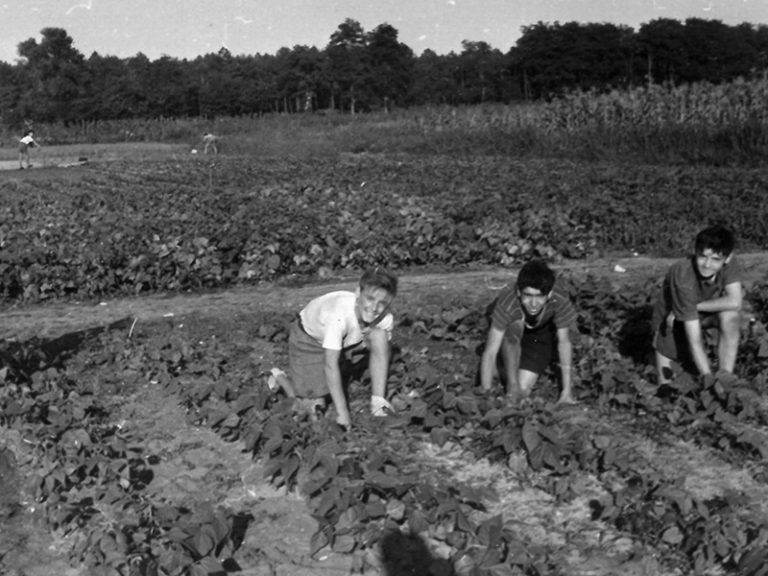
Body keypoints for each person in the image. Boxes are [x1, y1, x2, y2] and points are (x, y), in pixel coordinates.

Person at [268, 268, 398, 428]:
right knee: (313, 408)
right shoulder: (338, 317)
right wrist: (342, 413)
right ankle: (280, 377)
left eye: (382, 303)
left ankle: (378, 402)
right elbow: (330, 365)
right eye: (370, 299)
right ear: (358, 293)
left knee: (379, 336)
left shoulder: (385, 318)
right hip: (309, 341)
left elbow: (384, 350)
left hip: (345, 340)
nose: (374, 307)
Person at [652, 224, 743, 383]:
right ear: (695, 252)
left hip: (693, 311)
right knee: (666, 387)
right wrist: (709, 380)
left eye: (715, 259)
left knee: (730, 316)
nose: (707, 264)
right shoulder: (683, 277)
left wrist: (694, 307)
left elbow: (735, 302)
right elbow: (694, 341)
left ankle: (725, 378)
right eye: (702, 256)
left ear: (727, 258)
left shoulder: (729, 263)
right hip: (671, 322)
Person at [479, 259, 578, 404]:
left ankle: (502, 371)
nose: (533, 303)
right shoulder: (508, 302)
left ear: (549, 294)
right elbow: (490, 351)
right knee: (513, 332)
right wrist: (486, 394)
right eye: (528, 296)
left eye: (539, 297)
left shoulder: (559, 299)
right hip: (512, 331)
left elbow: (564, 342)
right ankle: (510, 383)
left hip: (539, 334)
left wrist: (566, 391)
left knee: (523, 389)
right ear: (519, 292)